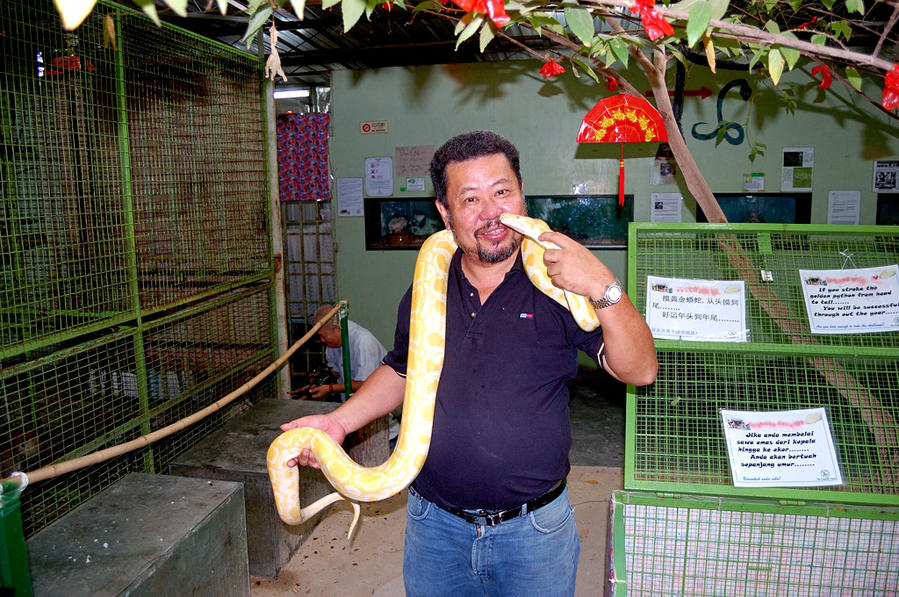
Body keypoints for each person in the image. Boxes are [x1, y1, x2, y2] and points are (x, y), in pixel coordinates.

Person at [281, 131, 657, 596]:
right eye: (470, 199)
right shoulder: (427, 290)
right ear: (444, 212)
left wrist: (603, 285)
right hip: (434, 526)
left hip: (534, 532)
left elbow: (640, 370)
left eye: (502, 192)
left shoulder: (564, 284)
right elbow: (403, 369)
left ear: (521, 193)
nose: (492, 213)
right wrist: (339, 422)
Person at [292, 305, 388, 403]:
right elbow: (335, 371)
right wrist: (318, 383)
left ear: (338, 329)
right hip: (355, 403)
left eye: (323, 336)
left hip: (379, 402)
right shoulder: (333, 343)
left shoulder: (363, 342)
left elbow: (365, 384)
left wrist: (330, 388)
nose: (322, 340)